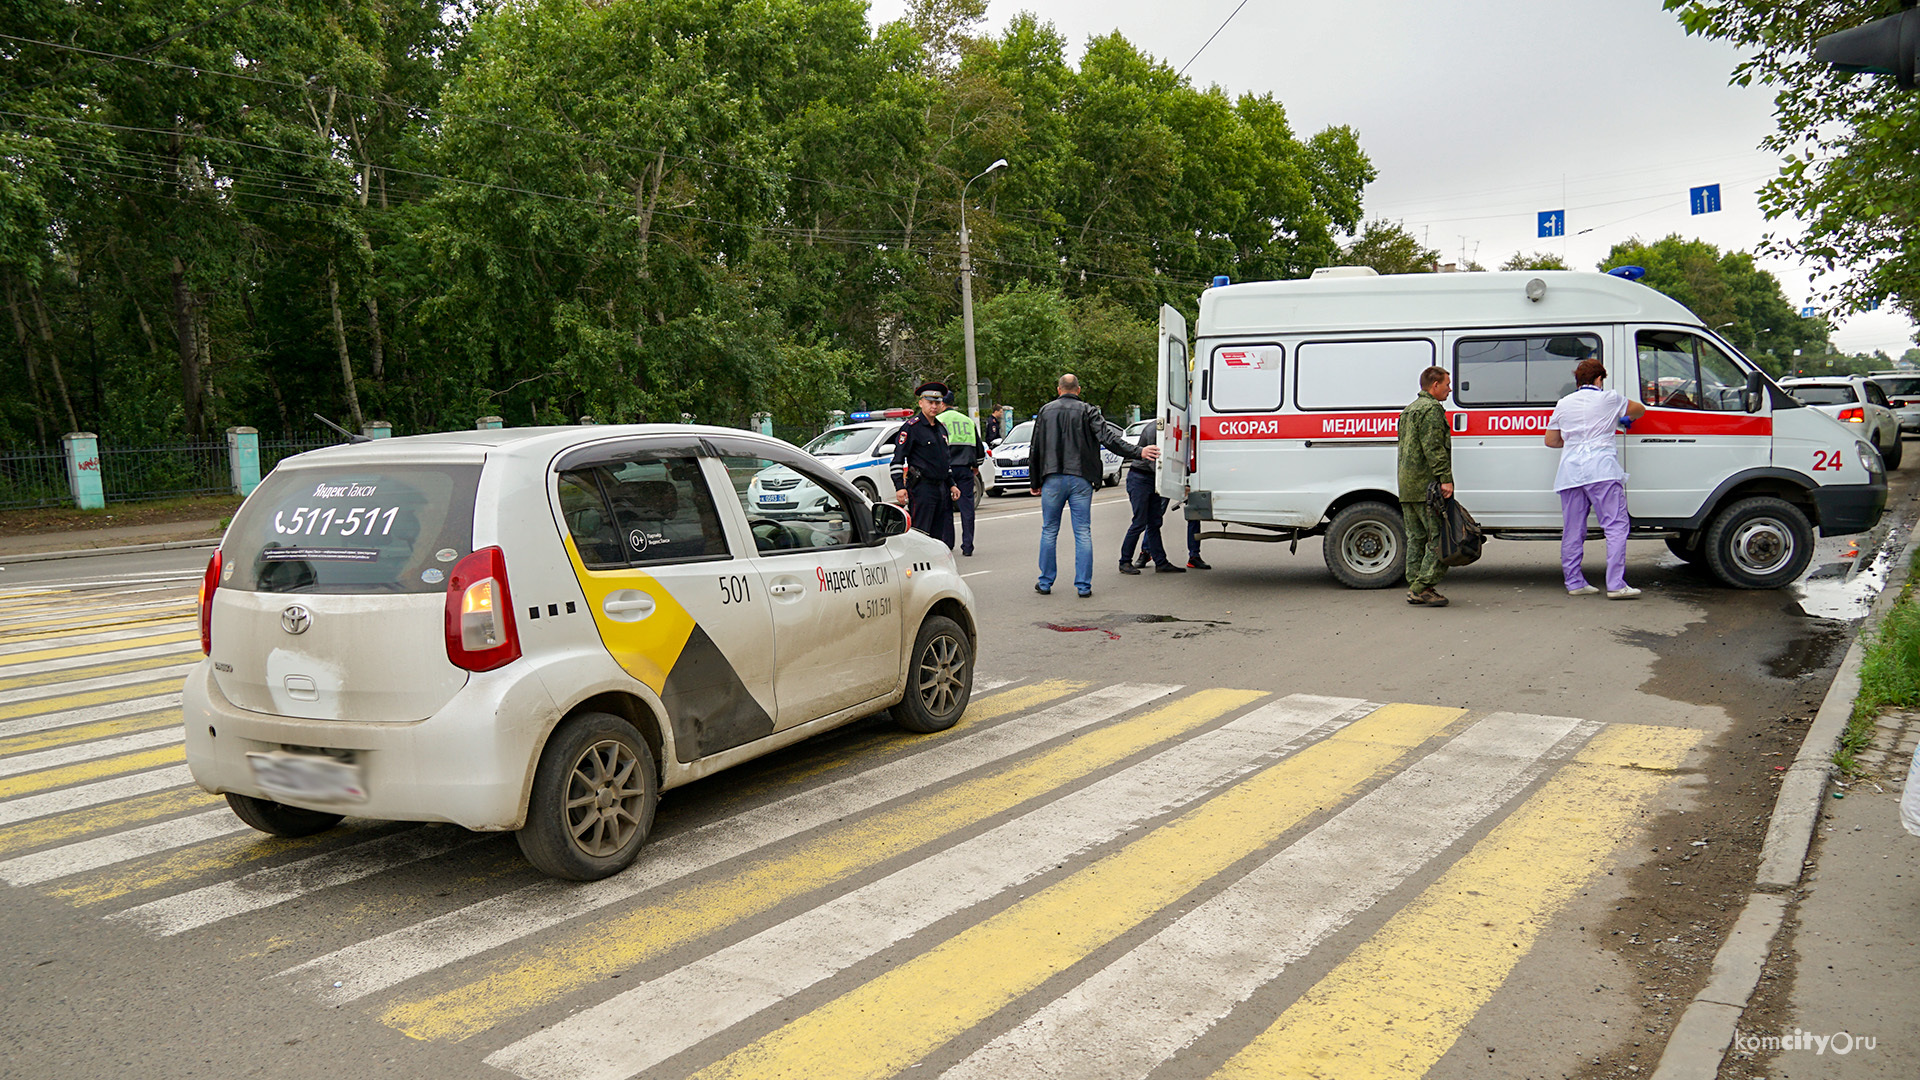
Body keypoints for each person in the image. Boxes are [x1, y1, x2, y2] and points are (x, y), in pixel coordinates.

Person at [1030, 373, 1159, 597]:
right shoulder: (1089, 411)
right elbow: (1109, 439)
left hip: (1052, 478)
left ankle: (1045, 582)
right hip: (1081, 478)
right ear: (1078, 390)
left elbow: (1035, 448)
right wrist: (1139, 451)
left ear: (1058, 390)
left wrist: (1035, 481)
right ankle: (1083, 586)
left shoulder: (1045, 411)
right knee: (1082, 532)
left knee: (1049, 530)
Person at [1546, 357, 1648, 598]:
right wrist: (1623, 419)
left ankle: (1575, 583)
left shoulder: (1563, 403)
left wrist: (1573, 441)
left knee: (1573, 530)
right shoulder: (1609, 398)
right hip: (1601, 470)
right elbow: (1639, 410)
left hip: (1570, 473)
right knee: (1615, 526)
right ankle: (1616, 585)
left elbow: (1551, 440)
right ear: (1599, 378)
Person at [1397, 366, 1455, 608]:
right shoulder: (1431, 410)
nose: (1449, 389)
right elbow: (1433, 448)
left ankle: (1415, 586)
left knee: (1416, 538)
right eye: (1447, 384)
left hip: (1407, 485)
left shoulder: (1409, 410)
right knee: (1439, 536)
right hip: (1427, 486)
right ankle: (1422, 587)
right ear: (1435, 385)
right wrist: (1445, 478)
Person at [890, 381, 960, 547]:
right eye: (930, 402)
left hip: (941, 488)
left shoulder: (941, 428)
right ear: (921, 403)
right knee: (921, 533)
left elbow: (944, 460)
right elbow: (897, 459)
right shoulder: (911, 428)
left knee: (940, 534)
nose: (934, 406)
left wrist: (952, 484)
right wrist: (899, 486)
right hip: (922, 488)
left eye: (937, 403)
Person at [1118, 418, 1184, 574]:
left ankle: (1161, 562)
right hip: (1141, 478)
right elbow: (1154, 461)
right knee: (1139, 521)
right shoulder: (1156, 430)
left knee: (1154, 522)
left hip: (1152, 479)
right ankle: (1124, 562)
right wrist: (1174, 482)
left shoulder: (1165, 428)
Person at [937, 393, 985, 556]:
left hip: (945, 470)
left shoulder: (938, 420)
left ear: (942, 403)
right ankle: (968, 545)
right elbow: (979, 448)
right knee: (967, 507)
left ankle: (948, 543)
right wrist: (976, 465)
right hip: (965, 469)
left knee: (946, 508)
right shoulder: (967, 421)